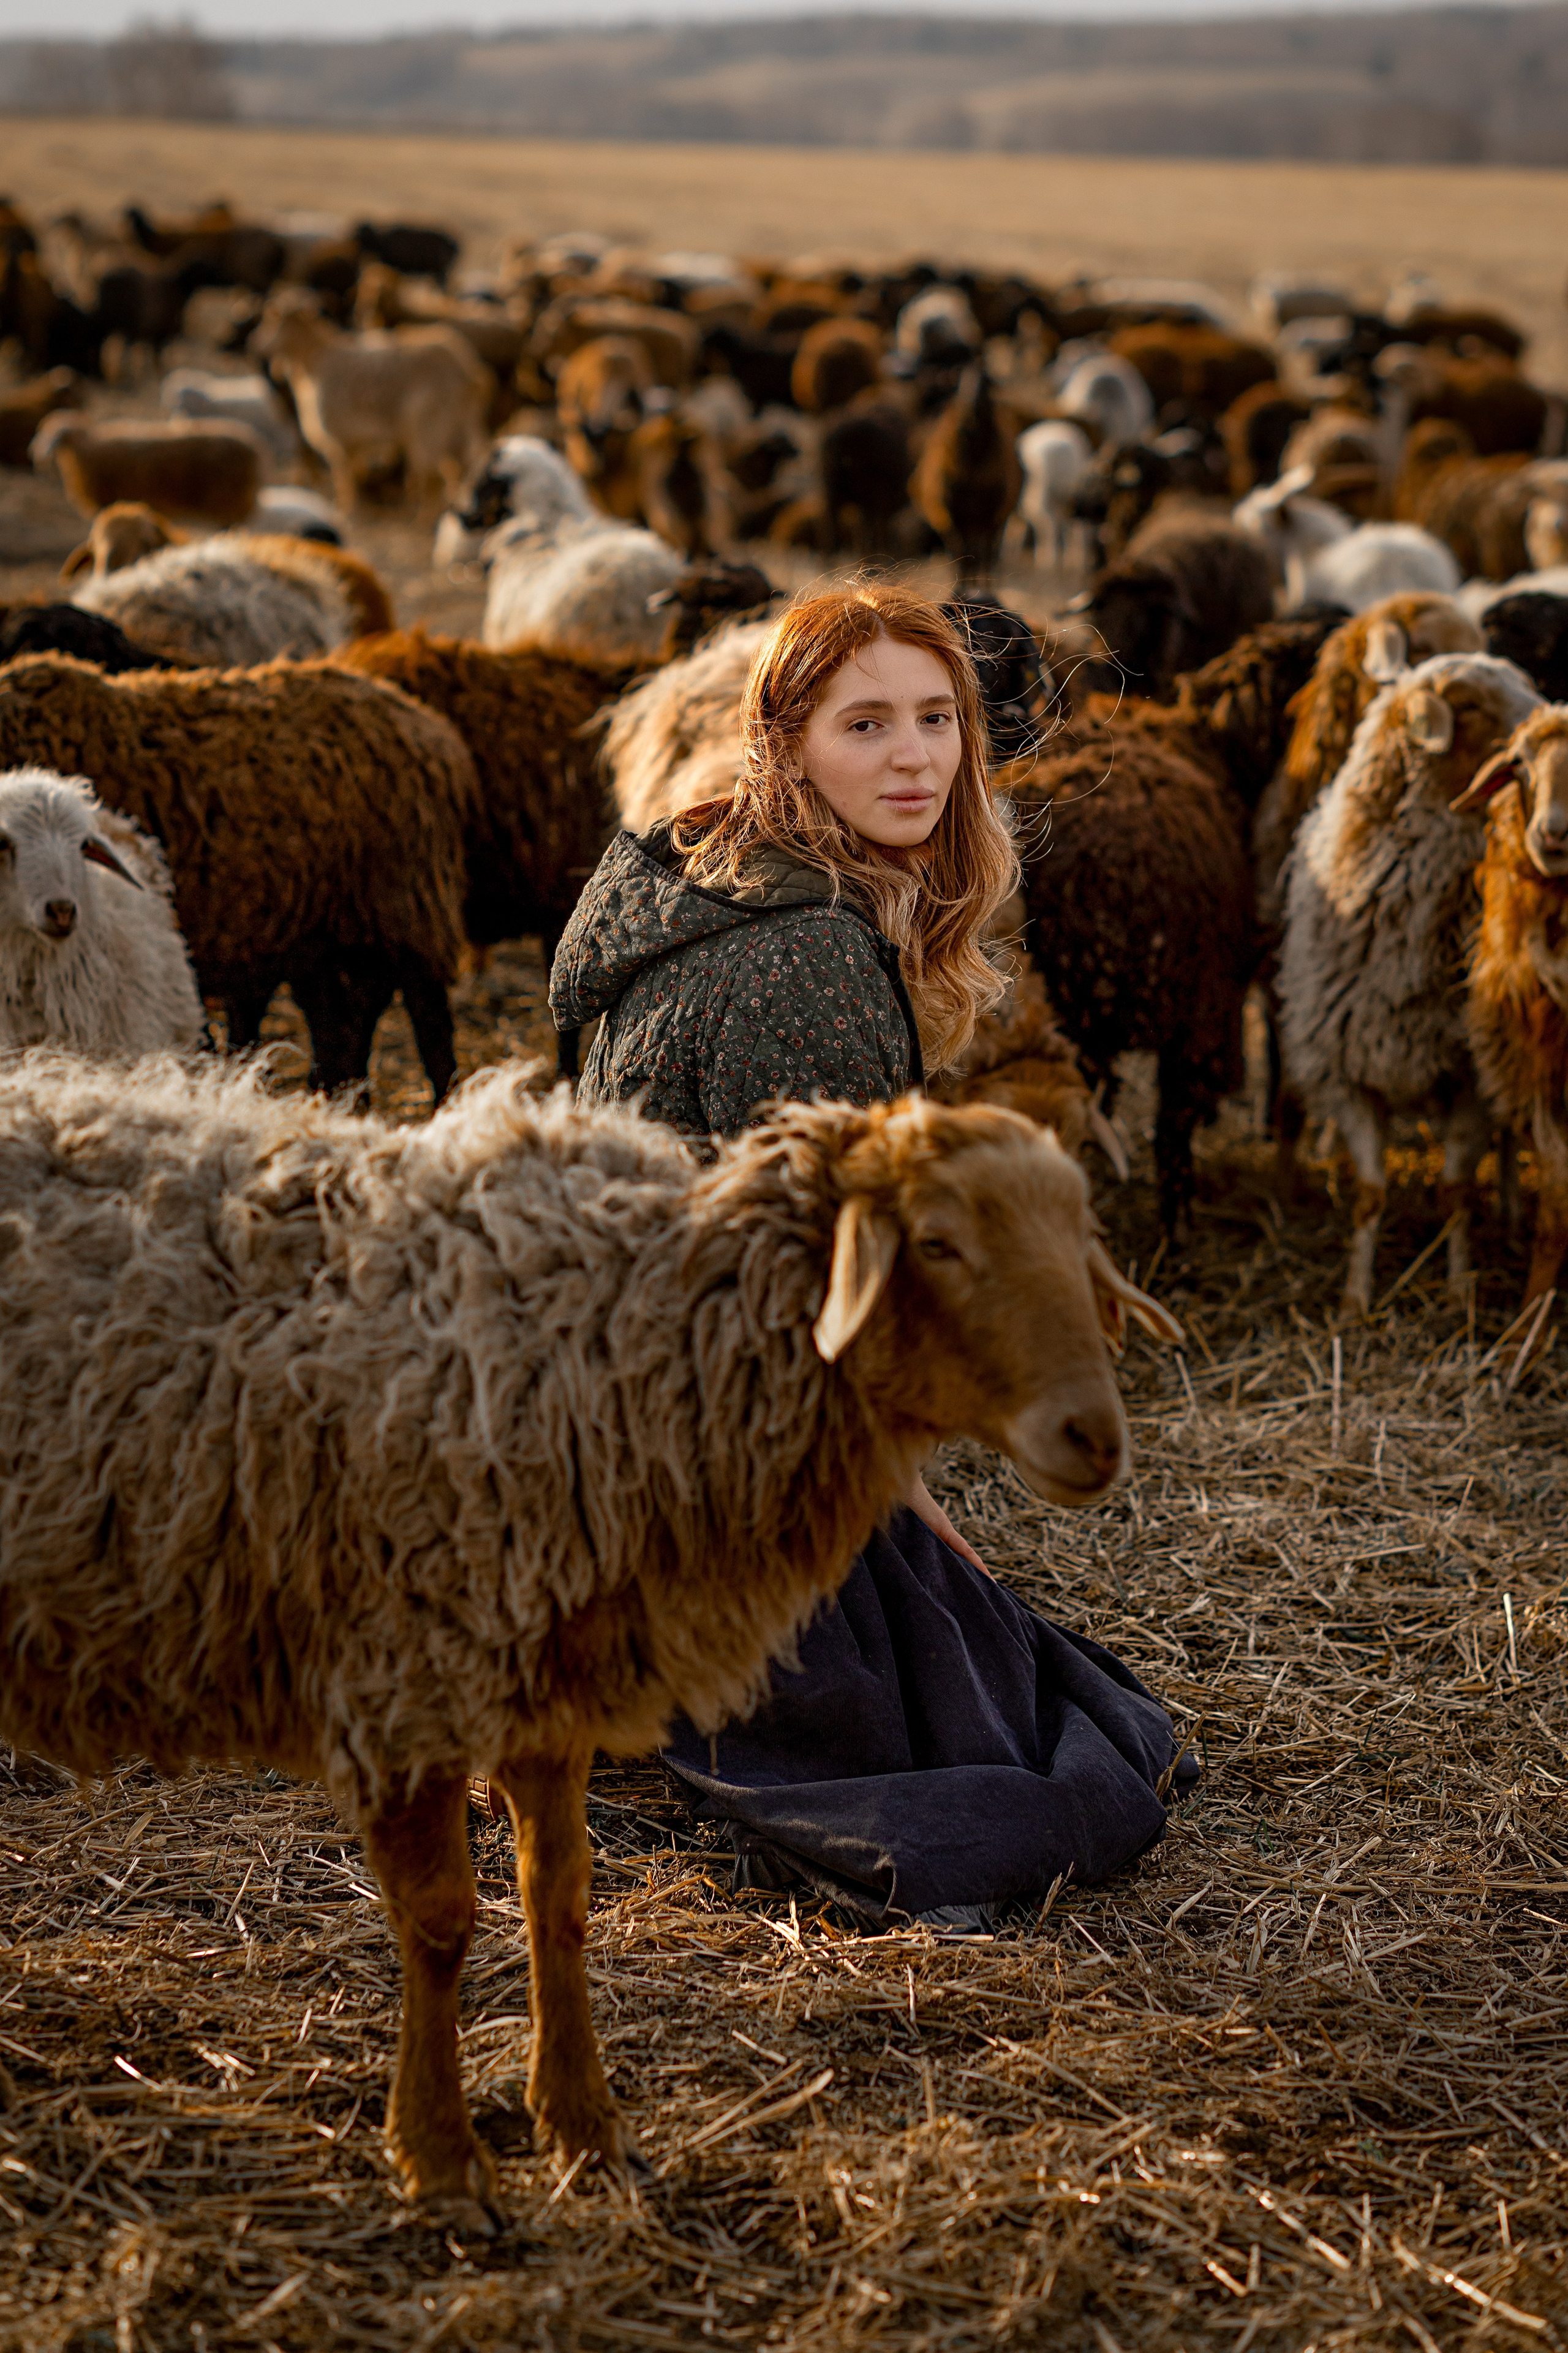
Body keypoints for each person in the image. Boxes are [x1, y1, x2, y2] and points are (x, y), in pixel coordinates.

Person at [550, 584, 1194, 1928]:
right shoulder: (811, 962)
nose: (914, 758)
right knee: (1032, 1739)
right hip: (701, 1451)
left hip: (608, 1408)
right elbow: (812, 1291)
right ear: (785, 741)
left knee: (994, 1646)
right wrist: (894, 1498)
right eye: (865, 724)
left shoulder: (703, 869)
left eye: (936, 718)